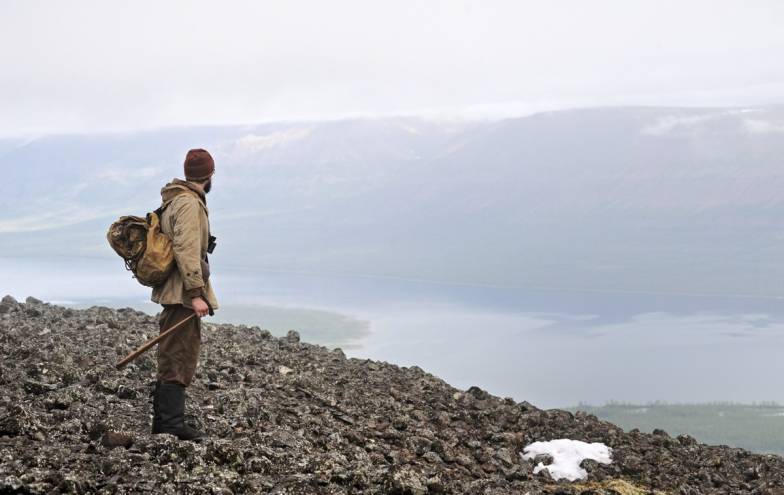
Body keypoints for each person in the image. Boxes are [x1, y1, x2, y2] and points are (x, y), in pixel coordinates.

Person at [149, 148, 219, 441]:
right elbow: (187, 250)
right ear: (210, 175)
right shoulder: (189, 204)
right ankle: (170, 424)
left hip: (176, 292)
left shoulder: (176, 199)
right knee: (178, 354)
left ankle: (166, 421)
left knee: (174, 352)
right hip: (182, 294)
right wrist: (196, 294)